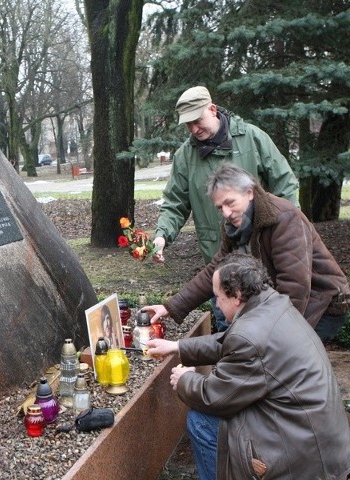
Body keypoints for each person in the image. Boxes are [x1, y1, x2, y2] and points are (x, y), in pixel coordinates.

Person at [147, 253, 350, 480]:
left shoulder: (250, 336)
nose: (216, 303)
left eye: (218, 296)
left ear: (237, 296)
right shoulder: (273, 304)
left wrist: (184, 379)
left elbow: (214, 397)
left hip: (302, 460)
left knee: (201, 421)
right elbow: (229, 340)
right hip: (318, 443)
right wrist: (177, 346)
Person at [143, 164, 349, 343]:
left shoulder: (284, 219)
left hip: (322, 301)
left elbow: (295, 287)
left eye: (230, 203)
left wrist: (275, 337)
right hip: (288, 300)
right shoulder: (235, 225)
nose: (226, 213)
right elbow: (217, 270)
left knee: (291, 364)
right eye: (220, 207)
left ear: (249, 192)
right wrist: (171, 307)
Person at [152, 85, 300, 330]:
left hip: (263, 260)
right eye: (187, 125)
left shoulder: (253, 138)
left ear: (212, 109)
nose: (193, 129)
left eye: (197, 121)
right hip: (221, 263)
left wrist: (288, 231)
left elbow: (285, 184)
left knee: (269, 332)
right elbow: (174, 203)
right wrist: (161, 235)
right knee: (228, 334)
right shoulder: (186, 156)